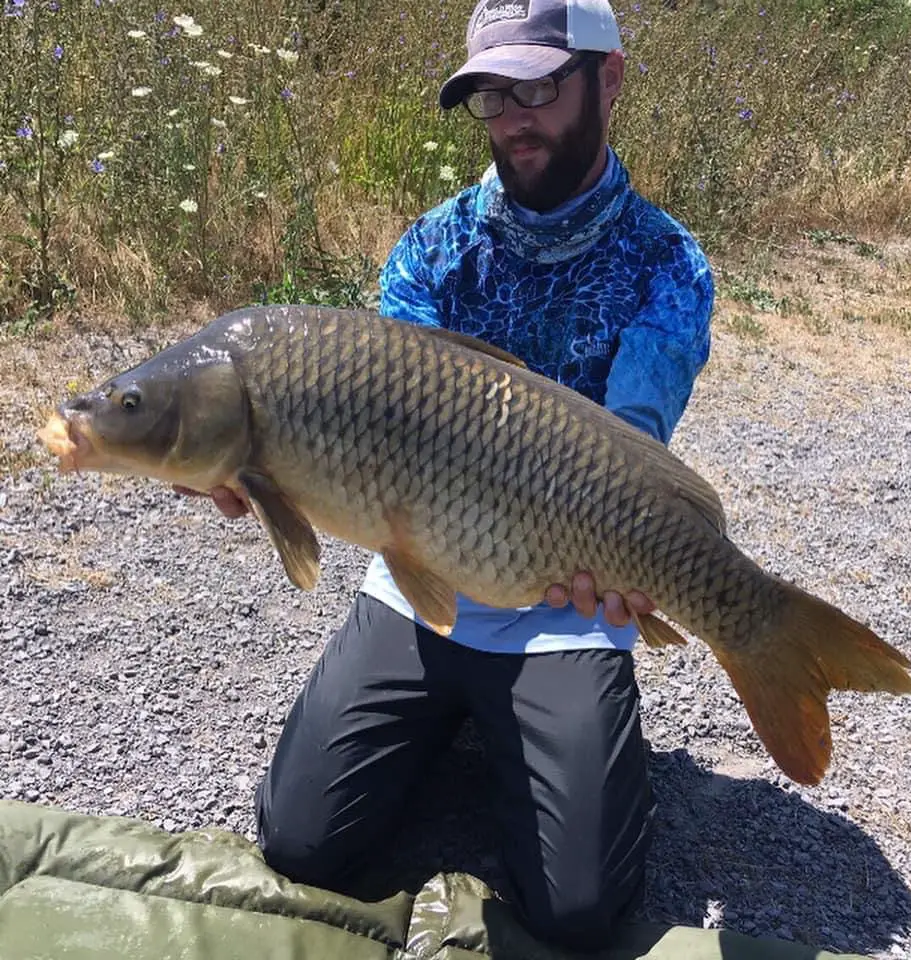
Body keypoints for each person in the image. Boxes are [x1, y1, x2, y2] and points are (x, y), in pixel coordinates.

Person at [180, 0, 714, 949]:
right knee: (299, 842)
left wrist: (640, 570)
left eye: (539, 86)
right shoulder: (432, 246)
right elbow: (360, 431)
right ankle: (461, 722)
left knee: (579, 913)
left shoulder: (666, 264)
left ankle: (562, 728)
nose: (514, 115)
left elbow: (633, 445)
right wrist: (244, 467)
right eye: (490, 95)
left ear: (611, 79)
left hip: (562, 603)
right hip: (417, 576)